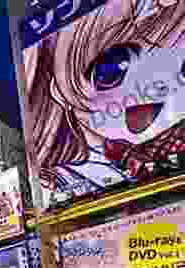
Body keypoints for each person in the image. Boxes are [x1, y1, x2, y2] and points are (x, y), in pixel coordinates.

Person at [22, 0, 185, 212]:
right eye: (114, 68)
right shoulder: (59, 182)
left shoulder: (172, 138)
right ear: (58, 90)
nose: (158, 87)